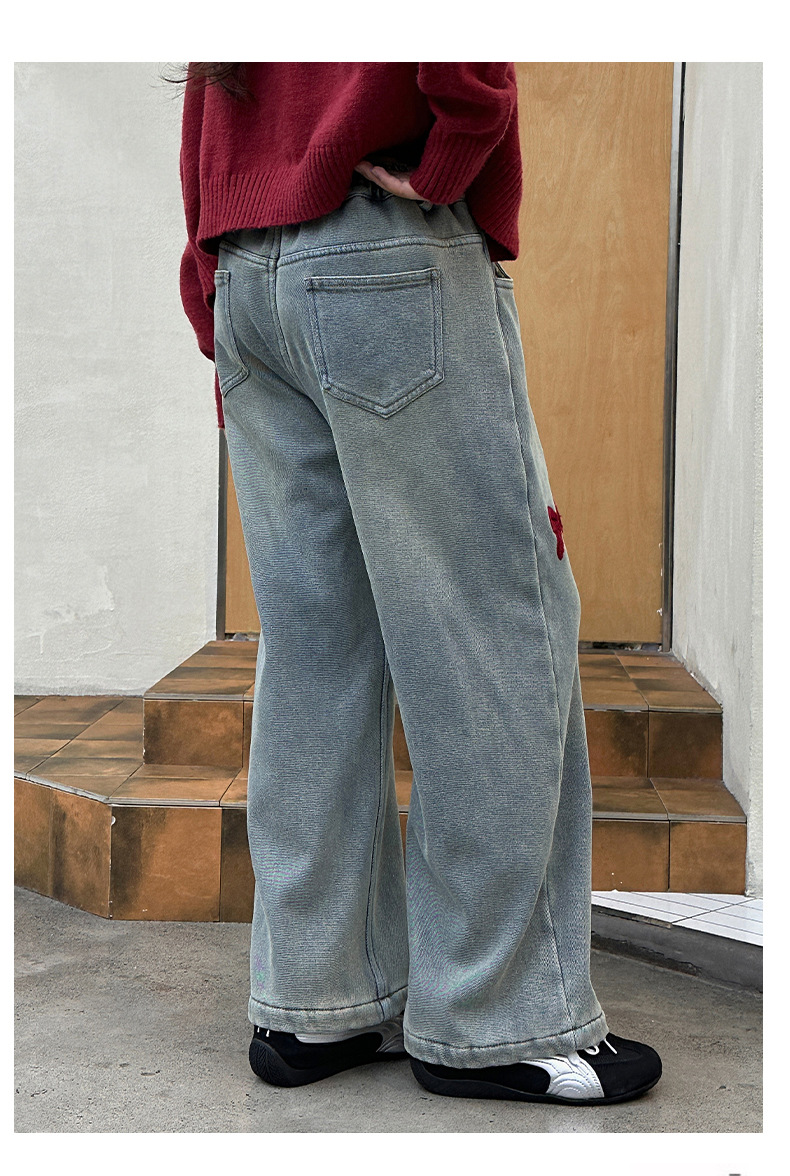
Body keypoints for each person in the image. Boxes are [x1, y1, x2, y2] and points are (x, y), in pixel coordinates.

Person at [176, 61, 662, 1106]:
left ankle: (316, 1004)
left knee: (317, 649)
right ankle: (496, 1018)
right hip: (382, 257)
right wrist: (457, 149)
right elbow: (457, 64)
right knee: (493, 637)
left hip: (247, 272)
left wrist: (212, 266)